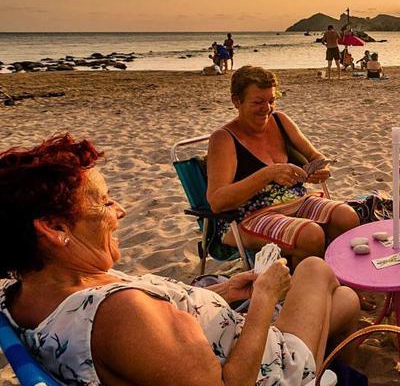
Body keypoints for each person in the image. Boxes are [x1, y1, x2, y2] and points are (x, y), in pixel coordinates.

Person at [0, 134, 360, 385]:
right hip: (266, 368)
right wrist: (264, 298)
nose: (121, 210)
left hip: (227, 336)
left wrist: (226, 289)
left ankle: (326, 351)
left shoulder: (27, 294)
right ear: (52, 227)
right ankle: (320, 368)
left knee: (342, 300)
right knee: (316, 270)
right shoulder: (120, 316)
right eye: (105, 202)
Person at [207, 66, 360, 262]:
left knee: (347, 216)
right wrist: (268, 174)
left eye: (271, 101)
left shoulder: (280, 121)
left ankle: (335, 273)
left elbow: (315, 156)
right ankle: (302, 284)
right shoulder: (224, 138)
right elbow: (217, 201)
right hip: (249, 215)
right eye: (258, 102)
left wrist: (321, 169)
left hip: (297, 201)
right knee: (310, 235)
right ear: (236, 101)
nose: (267, 108)